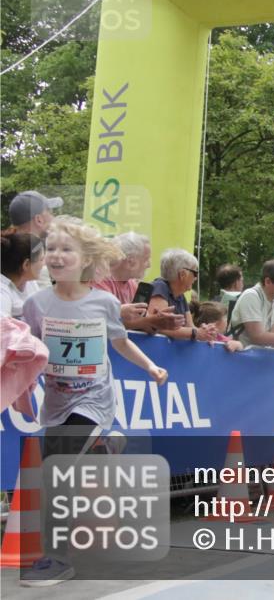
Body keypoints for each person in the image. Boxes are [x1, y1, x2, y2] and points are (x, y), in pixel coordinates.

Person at [20, 219, 167, 587]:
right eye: (50, 248)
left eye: (66, 249)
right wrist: (20, 389)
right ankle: (102, 448)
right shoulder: (36, 303)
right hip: (55, 402)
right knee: (60, 463)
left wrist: (150, 365)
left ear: (87, 259)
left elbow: (120, 343)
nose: (56, 255)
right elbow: (29, 351)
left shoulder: (103, 303)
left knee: (58, 469)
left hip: (94, 399)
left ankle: (56, 557)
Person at [91, 232, 184, 334]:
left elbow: (144, 325)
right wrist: (151, 321)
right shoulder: (99, 278)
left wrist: (158, 321)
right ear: (130, 262)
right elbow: (99, 321)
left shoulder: (132, 285)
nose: (149, 265)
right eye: (146, 259)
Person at [147, 249, 218, 343]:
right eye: (195, 273)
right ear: (182, 274)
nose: (196, 278)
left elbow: (190, 327)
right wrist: (196, 333)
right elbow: (159, 326)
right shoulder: (160, 287)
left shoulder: (180, 296)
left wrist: (205, 333)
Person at [0, 232, 44, 318]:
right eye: (41, 259)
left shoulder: (30, 282)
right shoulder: (2, 291)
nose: (44, 264)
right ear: (26, 265)